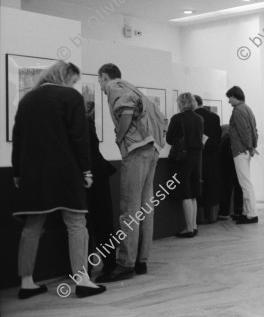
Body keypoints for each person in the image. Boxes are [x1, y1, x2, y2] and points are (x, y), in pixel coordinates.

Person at [12, 61, 106, 298]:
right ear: (67, 77)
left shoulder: (27, 100)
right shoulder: (70, 97)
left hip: (33, 174)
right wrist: (86, 170)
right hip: (66, 172)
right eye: (73, 80)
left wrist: (17, 173)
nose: (74, 84)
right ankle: (82, 280)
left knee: (31, 228)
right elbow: (78, 136)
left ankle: (26, 282)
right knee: (76, 225)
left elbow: (18, 138)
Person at [95, 63, 166, 283]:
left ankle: (125, 263)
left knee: (129, 209)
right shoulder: (134, 88)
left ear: (104, 76)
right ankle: (141, 260)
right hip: (152, 149)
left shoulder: (115, 86)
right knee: (145, 208)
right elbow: (163, 120)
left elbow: (126, 111)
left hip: (136, 151)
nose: (99, 85)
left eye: (99, 80)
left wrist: (120, 137)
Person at [84, 101, 117, 274]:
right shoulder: (88, 126)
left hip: (87, 177)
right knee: (103, 222)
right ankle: (109, 262)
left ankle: (86, 267)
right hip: (96, 176)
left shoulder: (81, 127)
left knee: (86, 225)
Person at [167, 93, 204, 237]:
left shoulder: (177, 118)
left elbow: (170, 140)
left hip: (183, 157)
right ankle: (193, 226)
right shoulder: (199, 118)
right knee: (194, 192)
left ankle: (188, 229)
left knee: (185, 192)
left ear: (181, 103)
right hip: (197, 156)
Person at [226, 86, 259, 224]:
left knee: (245, 183)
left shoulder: (238, 110)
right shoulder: (247, 108)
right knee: (245, 182)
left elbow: (244, 131)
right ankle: (246, 212)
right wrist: (253, 146)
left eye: (230, 98)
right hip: (245, 149)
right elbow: (254, 129)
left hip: (240, 150)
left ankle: (251, 214)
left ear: (235, 96)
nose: (229, 101)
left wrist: (250, 146)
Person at [194, 95, 222, 224]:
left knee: (198, 186)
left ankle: (199, 218)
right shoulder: (214, 117)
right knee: (213, 186)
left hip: (197, 156)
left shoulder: (192, 117)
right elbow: (218, 138)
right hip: (213, 156)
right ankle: (212, 217)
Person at [218, 125, 244, 219]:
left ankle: (224, 212)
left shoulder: (223, 132)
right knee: (238, 184)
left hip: (226, 158)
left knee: (226, 185)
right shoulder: (237, 133)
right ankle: (238, 211)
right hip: (238, 156)